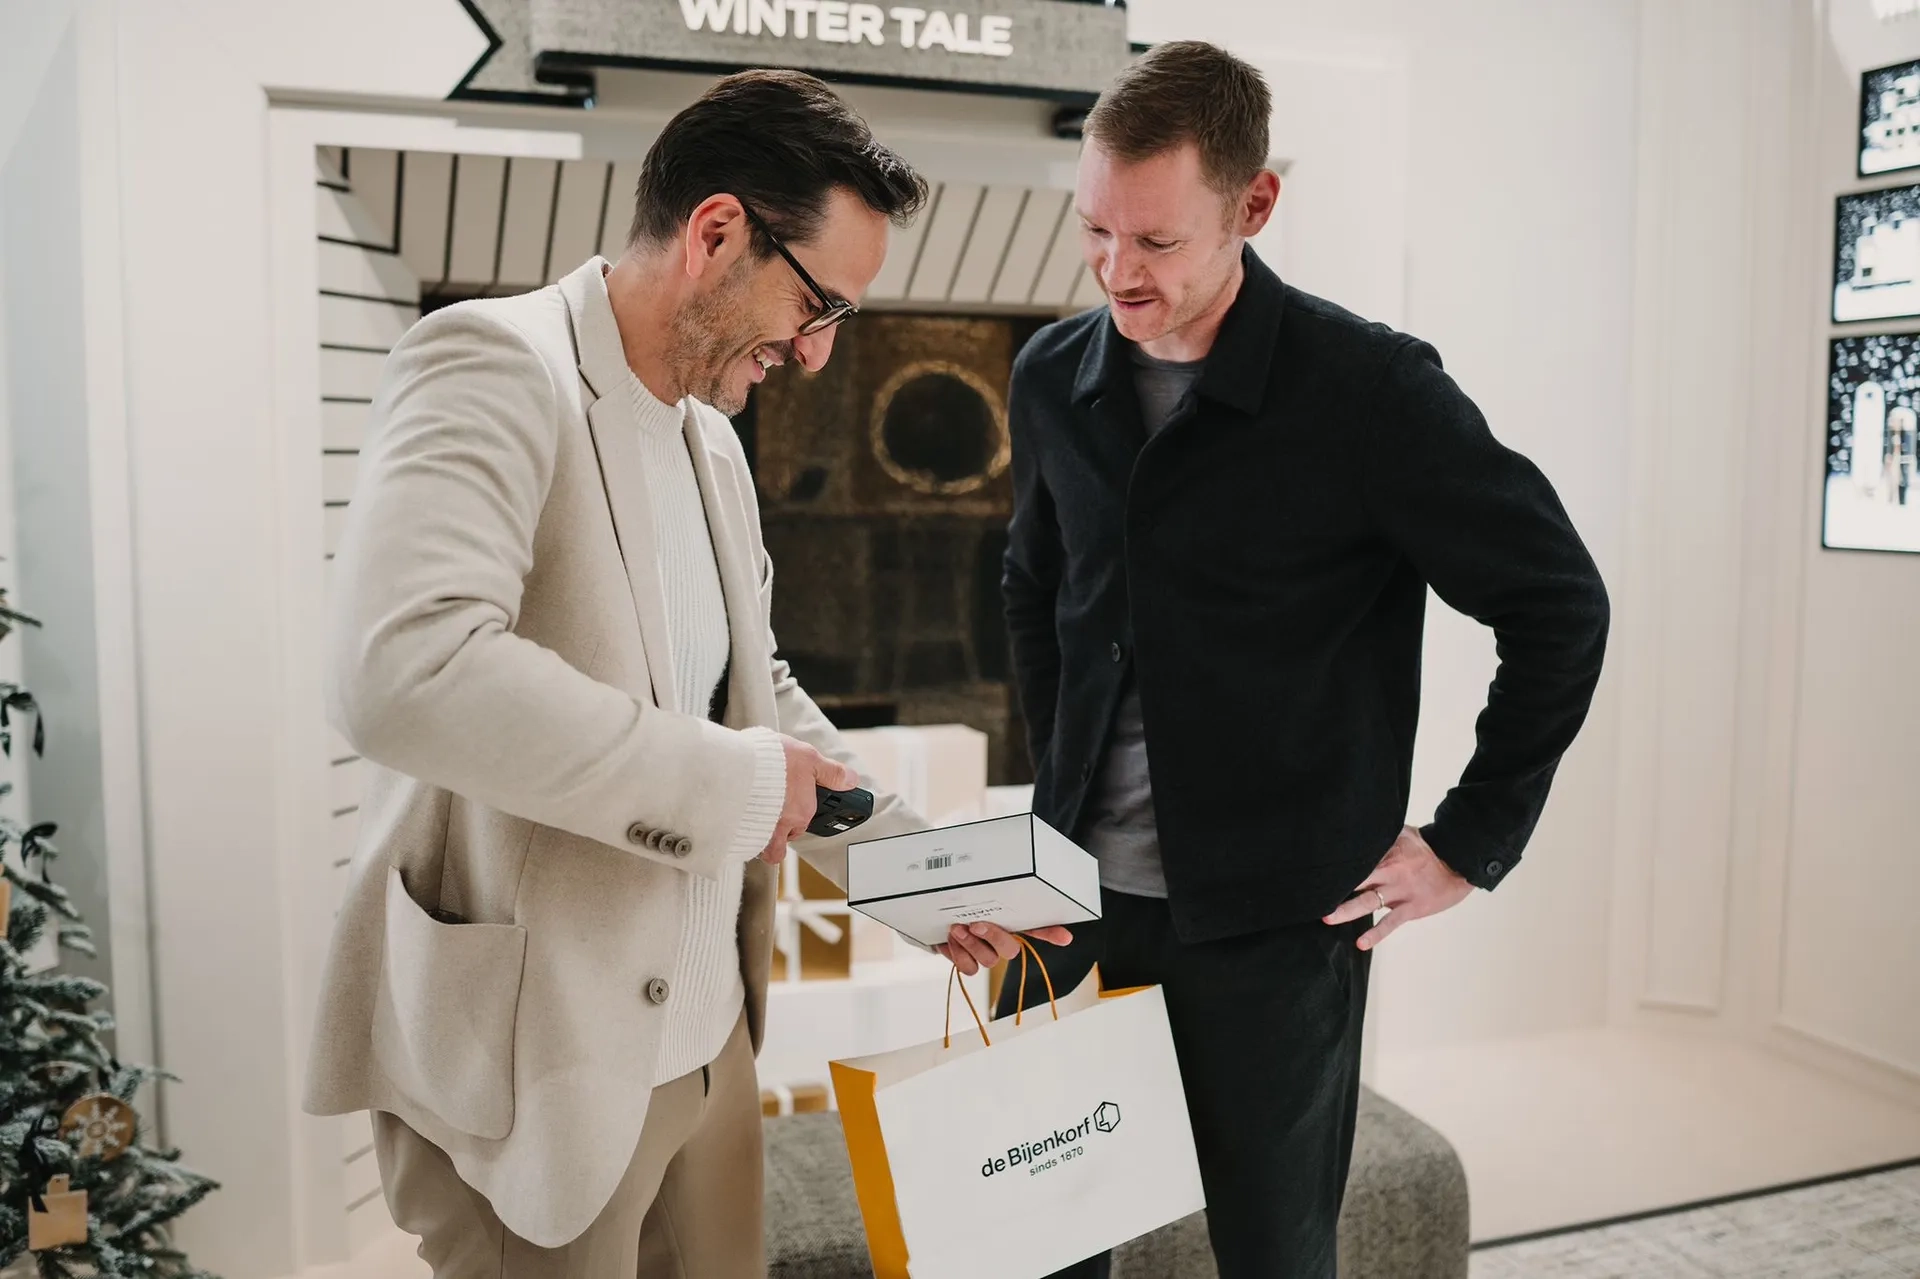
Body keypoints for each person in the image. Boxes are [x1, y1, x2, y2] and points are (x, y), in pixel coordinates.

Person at [304, 71, 1012, 1277]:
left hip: (710, 1041)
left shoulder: (712, 443)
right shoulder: (492, 362)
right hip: (537, 1061)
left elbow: (754, 695)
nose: (818, 353)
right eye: (819, 304)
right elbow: (405, 669)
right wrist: (740, 785)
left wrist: (922, 878)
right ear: (718, 232)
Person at [949, 40, 1611, 1278]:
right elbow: (1034, 585)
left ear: (1254, 206)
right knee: (1040, 1244)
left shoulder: (1372, 391)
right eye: (1095, 230)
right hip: (1067, 905)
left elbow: (1560, 604)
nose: (1116, 270)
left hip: (1276, 931)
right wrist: (1060, 785)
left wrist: (1469, 839)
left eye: (1156, 241)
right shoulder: (1048, 375)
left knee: (1272, 1254)